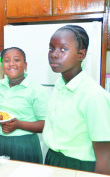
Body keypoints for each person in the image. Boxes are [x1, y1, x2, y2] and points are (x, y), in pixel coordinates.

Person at [42, 25, 110, 174]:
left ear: (81, 55)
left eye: (63, 49)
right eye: (51, 48)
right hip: (53, 158)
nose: (54, 54)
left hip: (78, 167)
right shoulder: (60, 86)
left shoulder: (93, 96)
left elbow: (105, 156)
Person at [0, 47, 50, 163]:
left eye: (16, 60)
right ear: (2, 66)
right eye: (6, 61)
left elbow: (46, 124)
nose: (11, 64)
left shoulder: (37, 90)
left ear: (25, 65)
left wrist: (19, 124)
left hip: (23, 144)